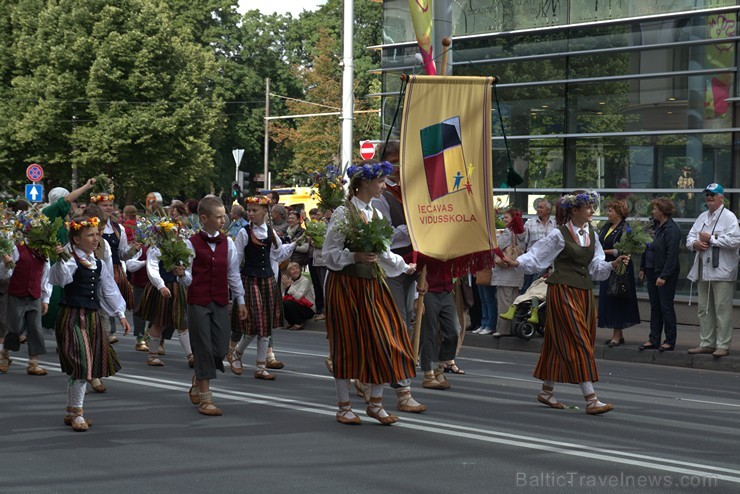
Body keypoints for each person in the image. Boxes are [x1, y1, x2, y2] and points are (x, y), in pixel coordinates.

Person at [503, 191, 629, 415]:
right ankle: (591, 398)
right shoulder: (559, 235)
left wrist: (613, 264)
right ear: (574, 211)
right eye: (588, 207)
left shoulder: (591, 233)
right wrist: (516, 262)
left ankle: (546, 391)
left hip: (583, 293)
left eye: (593, 207)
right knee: (577, 339)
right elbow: (537, 256)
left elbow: (596, 266)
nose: (592, 210)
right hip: (562, 291)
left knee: (559, 340)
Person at [323, 159, 418, 425]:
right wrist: (354, 256)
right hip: (346, 286)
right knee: (347, 344)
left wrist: (404, 265)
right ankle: (344, 406)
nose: (383, 186)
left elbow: (383, 252)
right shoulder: (344, 213)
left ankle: (375, 403)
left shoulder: (375, 213)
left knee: (386, 339)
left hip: (373, 284)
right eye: (379, 181)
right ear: (364, 182)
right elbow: (329, 255)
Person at [49, 216, 130, 431]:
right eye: (91, 235)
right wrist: (59, 259)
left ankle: (71, 411)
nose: (96, 238)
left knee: (84, 365)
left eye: (97, 234)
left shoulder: (98, 263)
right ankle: (77, 414)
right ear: (76, 239)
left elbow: (108, 289)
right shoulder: (69, 259)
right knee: (83, 364)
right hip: (72, 317)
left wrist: (120, 313)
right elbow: (60, 279)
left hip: (92, 317)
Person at [370, 140, 427, 413]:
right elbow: (385, 237)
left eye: (400, 160)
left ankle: (367, 377)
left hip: (411, 269)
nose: (397, 167)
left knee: (404, 324)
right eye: (392, 161)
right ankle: (403, 389)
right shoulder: (380, 197)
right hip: (388, 268)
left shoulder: (414, 193)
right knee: (397, 326)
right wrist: (416, 228)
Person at [180, 195, 247, 416]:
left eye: (224, 217)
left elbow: (233, 274)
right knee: (203, 347)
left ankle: (199, 376)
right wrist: (182, 276)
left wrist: (241, 300)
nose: (223, 221)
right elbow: (188, 277)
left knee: (219, 348)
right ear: (204, 218)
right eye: (218, 217)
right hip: (198, 301)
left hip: (220, 300)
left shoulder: (227, 243)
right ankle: (206, 400)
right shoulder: (190, 243)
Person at [228, 195, 294, 380]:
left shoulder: (271, 232)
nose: (250, 213)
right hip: (250, 279)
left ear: (265, 211)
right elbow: (235, 260)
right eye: (248, 210)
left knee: (265, 325)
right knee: (255, 323)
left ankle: (260, 367)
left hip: (268, 280)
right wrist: (236, 289)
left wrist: (295, 244)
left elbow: (279, 254)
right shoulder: (244, 232)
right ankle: (237, 354)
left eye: (254, 210)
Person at [686, 183, 740, 357]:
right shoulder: (702, 216)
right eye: (707, 194)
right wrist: (695, 244)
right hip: (704, 268)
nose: (709, 197)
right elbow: (690, 237)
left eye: (712, 195)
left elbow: (734, 241)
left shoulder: (729, 217)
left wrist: (711, 239)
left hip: (722, 270)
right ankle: (707, 342)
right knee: (704, 308)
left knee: (722, 309)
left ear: (721, 197)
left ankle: (723, 345)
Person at [137, 222, 193, 368]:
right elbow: (152, 269)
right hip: (162, 287)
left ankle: (191, 355)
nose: (174, 235)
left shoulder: (181, 248)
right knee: (159, 321)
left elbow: (187, 269)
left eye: (175, 232)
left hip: (177, 287)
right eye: (170, 232)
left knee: (182, 322)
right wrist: (160, 285)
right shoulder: (155, 249)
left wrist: (183, 274)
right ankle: (152, 355)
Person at [0, 240, 53, 375]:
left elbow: (46, 276)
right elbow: (6, 273)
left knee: (35, 328)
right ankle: (5, 355)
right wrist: (6, 265)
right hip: (17, 294)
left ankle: (33, 363)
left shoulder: (44, 251)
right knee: (14, 327)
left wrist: (45, 298)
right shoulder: (17, 248)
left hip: (34, 295)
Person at [91, 190, 137, 343]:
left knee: (109, 294)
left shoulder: (119, 228)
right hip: (92, 269)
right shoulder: (87, 226)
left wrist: (132, 250)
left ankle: (108, 332)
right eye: (105, 205)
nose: (109, 208)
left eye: (110, 205)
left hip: (114, 269)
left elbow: (123, 253)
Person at [637, 198, 681, 352]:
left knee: (666, 306)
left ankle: (669, 340)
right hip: (651, 270)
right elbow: (645, 246)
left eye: (655, 209)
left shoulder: (672, 229)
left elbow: (672, 256)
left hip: (664, 273)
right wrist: (642, 267)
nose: (652, 211)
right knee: (655, 307)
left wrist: (664, 275)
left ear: (662, 211)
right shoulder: (653, 226)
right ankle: (654, 339)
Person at [597, 200, 641, 347]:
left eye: (610, 210)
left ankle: (617, 334)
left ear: (619, 213)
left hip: (620, 267)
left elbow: (625, 249)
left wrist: (604, 252)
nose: (607, 213)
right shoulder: (606, 227)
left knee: (617, 298)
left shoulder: (625, 228)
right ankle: (617, 334)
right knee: (609, 298)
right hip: (606, 266)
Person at [416, 254, 461, 388]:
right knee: (429, 333)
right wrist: (419, 279)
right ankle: (428, 373)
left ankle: (440, 366)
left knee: (454, 331)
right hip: (428, 290)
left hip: (446, 289)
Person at [491, 208, 525, 337]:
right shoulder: (522, 233)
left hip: (505, 274)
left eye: (507, 217)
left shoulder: (507, 232)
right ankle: (512, 329)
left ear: (513, 219)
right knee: (513, 302)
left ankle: (503, 330)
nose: (504, 220)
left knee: (504, 303)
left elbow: (496, 247)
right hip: (517, 273)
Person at [522, 198, 556, 291]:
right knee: (526, 291)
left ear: (549, 210)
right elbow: (523, 243)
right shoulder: (529, 223)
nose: (538, 209)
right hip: (531, 264)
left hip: (548, 266)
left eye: (541, 207)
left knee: (543, 292)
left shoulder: (556, 224)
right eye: (538, 207)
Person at [126, 245, 150, 351]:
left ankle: (149, 333)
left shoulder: (164, 248)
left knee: (159, 311)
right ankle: (140, 337)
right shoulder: (140, 248)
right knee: (139, 310)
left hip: (158, 285)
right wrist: (145, 262)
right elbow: (130, 266)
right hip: (140, 283)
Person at [282, 262, 315, 330]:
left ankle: (299, 322)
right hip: (297, 305)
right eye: (292, 269)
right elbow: (284, 296)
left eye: (297, 269)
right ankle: (291, 322)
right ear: (289, 273)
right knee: (283, 303)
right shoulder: (289, 280)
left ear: (300, 270)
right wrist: (287, 288)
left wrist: (289, 287)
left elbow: (298, 297)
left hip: (308, 308)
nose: (295, 271)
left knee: (288, 303)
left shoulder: (305, 281)